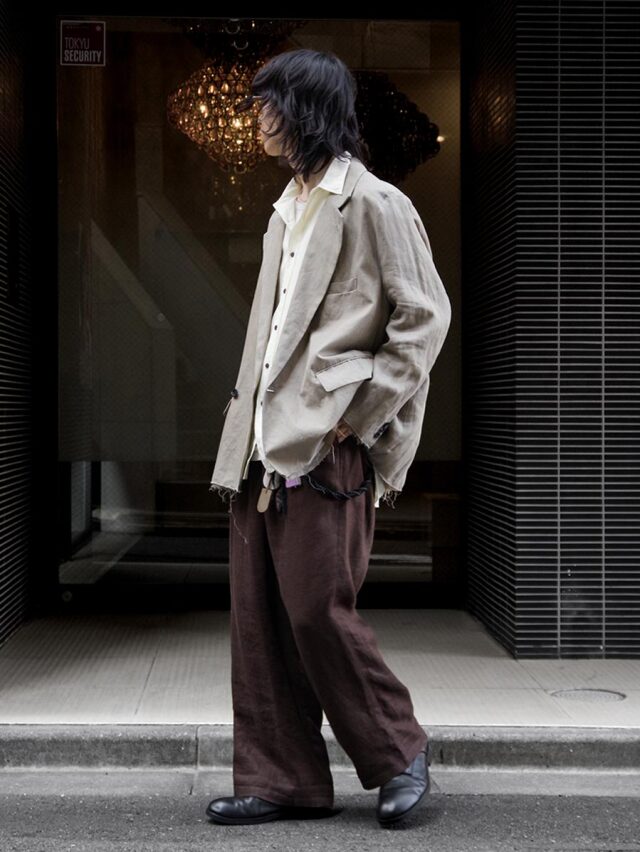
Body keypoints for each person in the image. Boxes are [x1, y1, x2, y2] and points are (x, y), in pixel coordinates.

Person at [206, 48, 451, 827]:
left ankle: (399, 750)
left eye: (267, 104)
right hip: (261, 444)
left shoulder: (375, 203)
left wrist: (360, 414)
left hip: (329, 445)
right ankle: (284, 781)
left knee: (316, 610)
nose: (257, 118)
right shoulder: (287, 210)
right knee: (261, 624)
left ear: (305, 110)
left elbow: (424, 320)